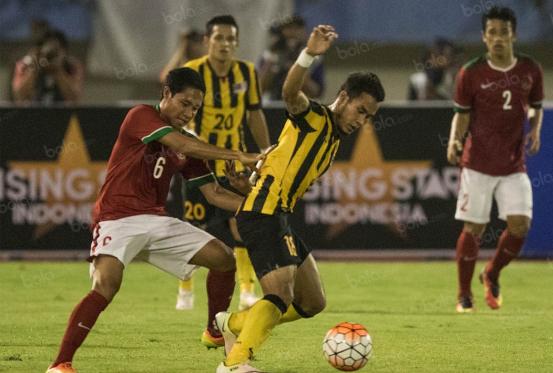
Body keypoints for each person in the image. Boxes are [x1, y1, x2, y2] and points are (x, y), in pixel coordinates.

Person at [45, 67, 261, 373]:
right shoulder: (140, 116)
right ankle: (60, 364)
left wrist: (259, 208)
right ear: (166, 94)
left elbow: (214, 194)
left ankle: (216, 333)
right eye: (185, 103)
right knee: (107, 284)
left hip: (155, 219)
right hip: (117, 217)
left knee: (224, 259)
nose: (189, 112)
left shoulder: (189, 142)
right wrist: (239, 155)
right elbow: (182, 145)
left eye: (195, 108)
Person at [212, 24, 385, 373]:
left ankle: (231, 324)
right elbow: (291, 91)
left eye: (369, 117)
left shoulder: (332, 141)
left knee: (313, 302)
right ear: (344, 96)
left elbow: (280, 172)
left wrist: (250, 186)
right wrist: (309, 55)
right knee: (280, 295)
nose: (362, 121)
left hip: (276, 213)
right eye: (361, 110)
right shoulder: (315, 118)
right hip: (264, 215)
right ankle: (235, 363)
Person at [175, 14, 271, 348]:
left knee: (241, 222)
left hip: (234, 163)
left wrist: (263, 150)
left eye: (231, 39)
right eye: (219, 38)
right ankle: (185, 285)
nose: (226, 44)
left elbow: (255, 112)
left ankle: (246, 287)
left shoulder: (247, 73)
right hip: (198, 160)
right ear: (207, 40)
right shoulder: (194, 72)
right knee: (195, 230)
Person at [446, 6, 544, 313]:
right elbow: (461, 115)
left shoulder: (529, 70)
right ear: (484, 37)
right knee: (473, 229)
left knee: (520, 226)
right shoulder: (471, 72)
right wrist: (454, 140)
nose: (498, 38)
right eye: (492, 33)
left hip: (513, 164)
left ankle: (492, 272)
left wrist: (536, 130)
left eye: (503, 32)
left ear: (513, 34)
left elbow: (537, 105)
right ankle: (464, 294)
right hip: (477, 164)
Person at [258, 15, 325, 100]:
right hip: (275, 105)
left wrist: (298, 69)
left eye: (297, 28)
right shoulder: (270, 55)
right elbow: (259, 90)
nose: (293, 33)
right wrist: (271, 64)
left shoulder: (314, 58)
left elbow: (316, 92)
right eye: (289, 28)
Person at [12, 28, 84, 105]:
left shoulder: (71, 66)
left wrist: (58, 70)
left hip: (63, 114)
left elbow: (74, 98)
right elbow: (20, 96)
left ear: (64, 51)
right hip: (32, 113)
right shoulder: (25, 65)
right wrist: (34, 68)